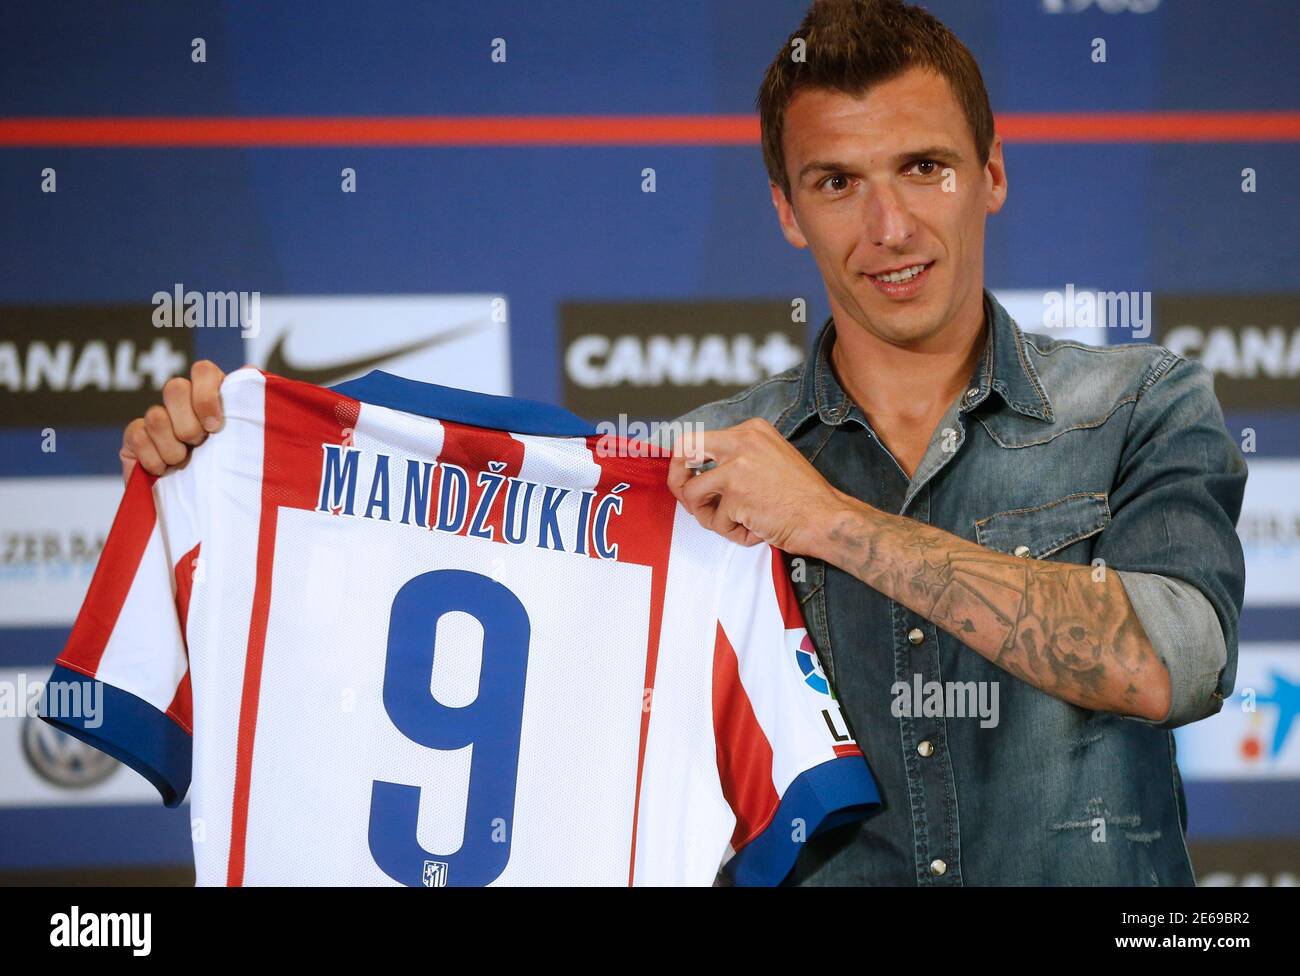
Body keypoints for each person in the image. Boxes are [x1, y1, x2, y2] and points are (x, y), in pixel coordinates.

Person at [121, 0, 1246, 885]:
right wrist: (223, 476)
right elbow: (450, 666)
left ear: (990, 174)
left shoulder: (1142, 399)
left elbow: (1166, 663)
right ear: (783, 210)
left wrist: (829, 522)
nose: (888, 227)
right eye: (836, 183)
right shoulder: (687, 465)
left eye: (923, 168)